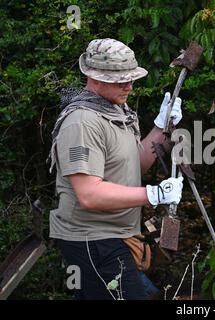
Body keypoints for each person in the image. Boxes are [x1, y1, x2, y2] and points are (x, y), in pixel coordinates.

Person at [48, 38, 183, 300]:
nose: (130, 86)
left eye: (131, 78)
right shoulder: (82, 123)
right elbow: (89, 194)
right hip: (92, 240)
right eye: (121, 80)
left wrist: (160, 127)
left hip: (115, 237)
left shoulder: (116, 111)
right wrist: (153, 194)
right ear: (95, 78)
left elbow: (136, 164)